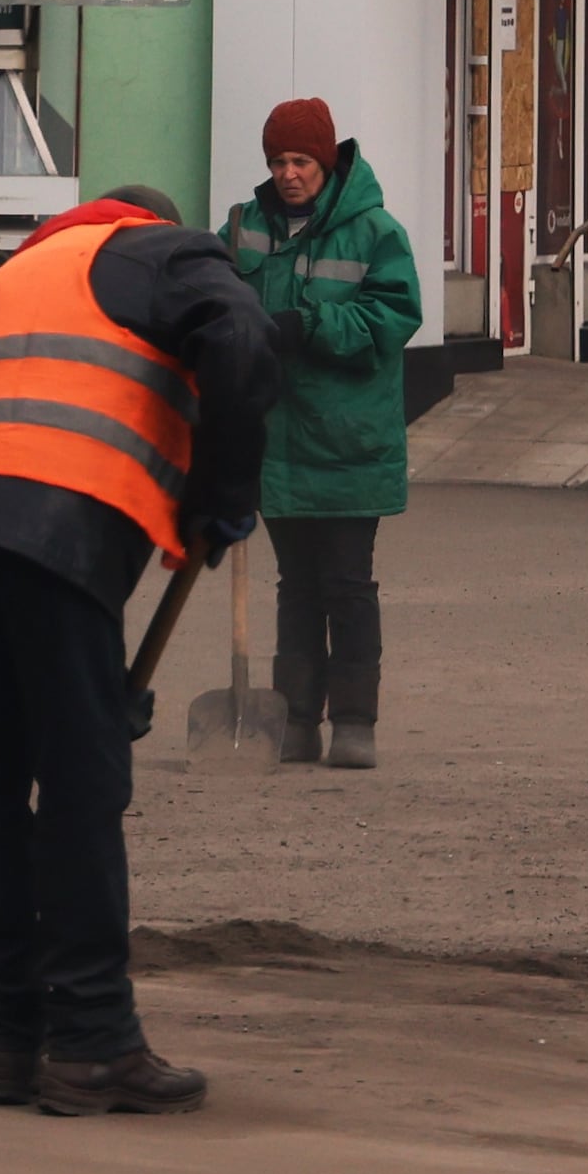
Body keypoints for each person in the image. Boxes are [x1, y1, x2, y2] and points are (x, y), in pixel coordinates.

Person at [0, 185, 277, 1116]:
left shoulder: (19, 274)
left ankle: (6, 1034)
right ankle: (94, 1039)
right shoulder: (170, 250)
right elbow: (238, 338)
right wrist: (226, 487)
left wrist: (96, 693)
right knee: (81, 786)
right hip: (56, 511)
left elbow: (35, 407)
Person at [219, 97, 423, 770]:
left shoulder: (374, 232)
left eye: (300, 160)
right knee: (295, 586)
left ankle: (356, 723)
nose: (288, 173)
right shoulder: (244, 228)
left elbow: (394, 318)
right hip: (277, 444)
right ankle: (297, 721)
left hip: (346, 442)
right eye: (277, 160)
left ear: (326, 161)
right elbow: (214, 297)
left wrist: (310, 326)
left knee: (346, 583)